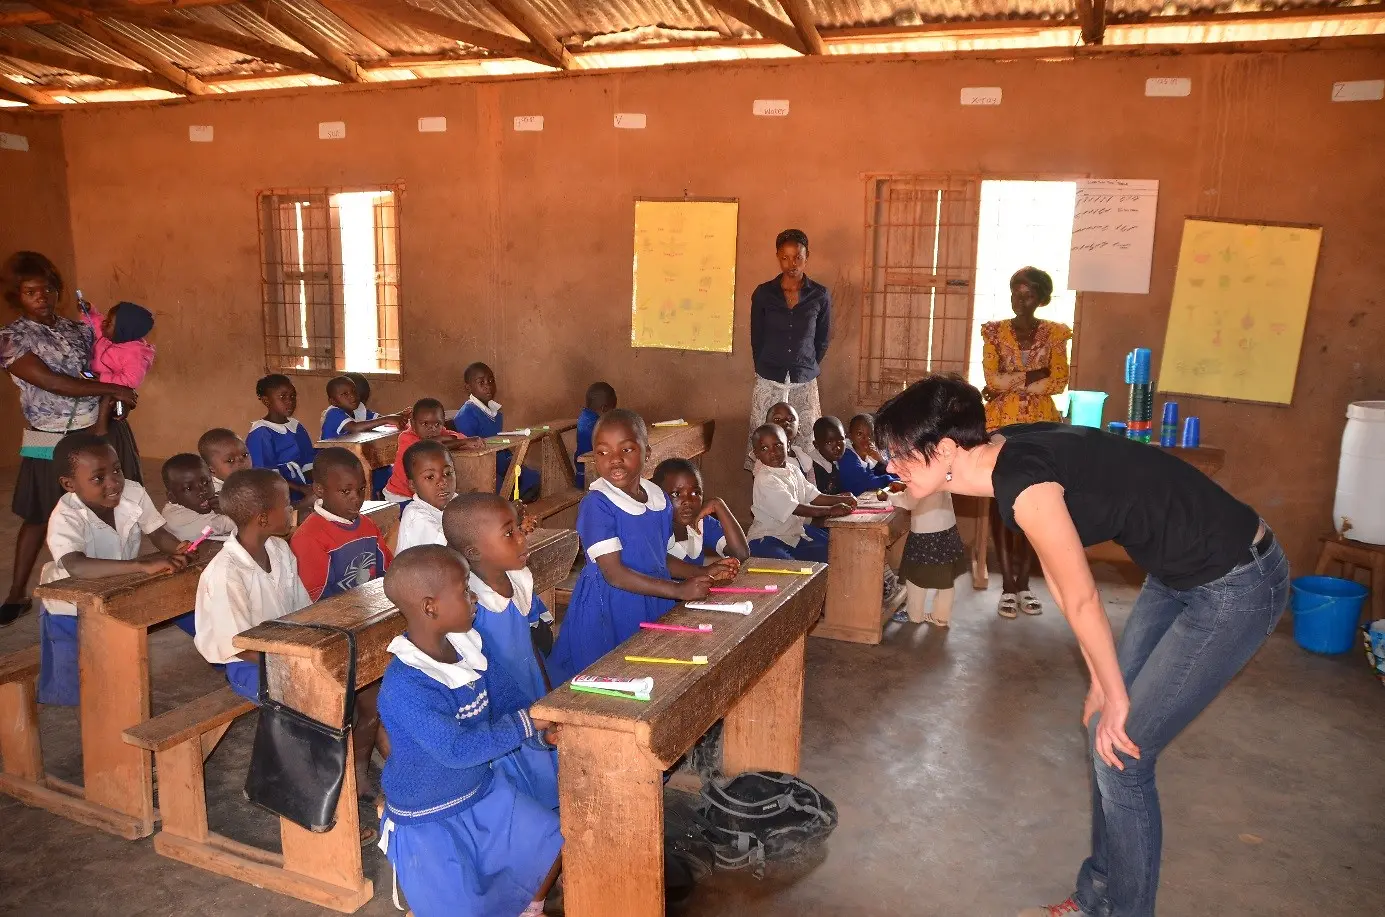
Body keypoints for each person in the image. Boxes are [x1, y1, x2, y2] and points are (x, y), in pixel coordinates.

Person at [875, 374, 1288, 917]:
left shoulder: (1023, 486)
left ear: (948, 449)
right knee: (1106, 737)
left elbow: (1083, 598)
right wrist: (1102, 680)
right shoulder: (1006, 449)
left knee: (1123, 755)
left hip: (1237, 583)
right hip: (1179, 570)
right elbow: (1071, 590)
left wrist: (1115, 695)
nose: (889, 468)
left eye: (900, 456)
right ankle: (1098, 898)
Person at [377, 545, 562, 917]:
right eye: (464, 590)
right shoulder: (406, 684)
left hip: (481, 791)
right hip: (430, 814)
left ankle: (529, 908)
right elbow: (456, 750)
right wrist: (527, 723)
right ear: (430, 607)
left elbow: (509, 703)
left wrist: (542, 735)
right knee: (463, 907)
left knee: (550, 836)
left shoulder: (469, 648)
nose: (473, 596)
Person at [195, 468, 385, 800]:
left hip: (292, 649)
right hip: (250, 665)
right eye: (286, 504)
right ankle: (309, 796)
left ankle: (354, 773)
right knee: (320, 701)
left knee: (369, 690)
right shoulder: (226, 573)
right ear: (263, 518)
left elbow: (301, 611)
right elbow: (238, 646)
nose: (294, 508)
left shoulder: (280, 550)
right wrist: (303, 662)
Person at [0, 252, 139, 626]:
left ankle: (118, 580)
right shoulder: (11, 338)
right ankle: (17, 593)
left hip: (95, 429)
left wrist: (120, 389)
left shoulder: (77, 329)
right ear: (17, 296)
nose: (41, 297)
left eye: (47, 289)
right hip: (46, 434)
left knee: (111, 504)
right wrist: (114, 387)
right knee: (38, 512)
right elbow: (52, 382)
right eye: (31, 292)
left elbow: (104, 362)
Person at [549, 410, 715, 682]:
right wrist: (677, 589)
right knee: (613, 673)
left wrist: (699, 573)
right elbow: (613, 573)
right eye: (602, 452)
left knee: (651, 667)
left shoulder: (657, 498)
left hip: (651, 595)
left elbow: (658, 557)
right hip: (610, 606)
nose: (615, 459)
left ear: (647, 452)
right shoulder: (597, 505)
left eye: (626, 449)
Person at [38, 433, 190, 704]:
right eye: (98, 478)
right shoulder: (65, 516)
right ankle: (94, 734)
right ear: (69, 484)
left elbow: (156, 531)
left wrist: (176, 547)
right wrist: (140, 565)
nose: (113, 483)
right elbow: (76, 566)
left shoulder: (132, 492)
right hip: (70, 607)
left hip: (117, 591)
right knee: (79, 684)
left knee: (117, 670)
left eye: (117, 470)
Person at [981, 266, 1072, 619]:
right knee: (1000, 502)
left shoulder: (1055, 334)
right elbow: (991, 378)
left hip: (1040, 427)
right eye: (1016, 291)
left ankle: (1024, 583)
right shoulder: (993, 332)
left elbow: (1059, 382)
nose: (1021, 299)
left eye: (1029, 293)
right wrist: (1035, 373)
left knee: (1037, 502)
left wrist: (1010, 381)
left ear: (1042, 299)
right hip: (1000, 424)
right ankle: (1006, 586)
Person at [444, 492, 556, 704]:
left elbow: (530, 645)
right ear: (474, 552)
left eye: (517, 527)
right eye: (508, 533)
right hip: (500, 707)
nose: (522, 537)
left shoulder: (517, 579)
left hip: (532, 690)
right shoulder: (470, 606)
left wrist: (546, 691)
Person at [747, 229, 831, 469]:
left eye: (797, 257)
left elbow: (822, 339)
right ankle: (770, 498)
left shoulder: (820, 295)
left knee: (805, 447)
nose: (791, 263)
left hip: (803, 381)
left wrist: (804, 363)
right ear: (777, 257)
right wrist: (766, 366)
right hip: (769, 379)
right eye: (785, 257)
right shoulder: (764, 294)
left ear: (807, 256)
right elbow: (757, 337)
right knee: (766, 444)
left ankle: (804, 500)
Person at [290, 447, 392, 601]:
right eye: (345, 491)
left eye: (361, 489)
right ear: (319, 489)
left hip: (371, 607)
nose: (356, 498)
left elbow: (387, 571)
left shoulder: (368, 525)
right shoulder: (309, 537)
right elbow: (317, 601)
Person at [745, 424, 855, 562]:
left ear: (788, 445)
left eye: (778, 445)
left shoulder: (793, 470)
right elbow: (796, 508)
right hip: (768, 538)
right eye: (764, 448)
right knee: (789, 568)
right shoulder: (765, 479)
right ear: (757, 454)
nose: (772, 452)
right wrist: (831, 510)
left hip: (793, 535)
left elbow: (814, 496)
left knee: (833, 551)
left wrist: (839, 499)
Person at [454, 361, 540, 501]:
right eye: (481, 382)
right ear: (468, 387)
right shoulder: (467, 415)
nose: (488, 386)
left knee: (533, 479)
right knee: (506, 489)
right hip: (481, 467)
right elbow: (469, 454)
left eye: (491, 381)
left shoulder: (494, 412)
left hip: (498, 460)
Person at [890, 489, 967, 628]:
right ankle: (941, 617)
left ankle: (915, 615)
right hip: (947, 529)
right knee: (946, 578)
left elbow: (908, 502)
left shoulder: (919, 473)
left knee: (914, 576)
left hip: (925, 534)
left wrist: (888, 497)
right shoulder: (941, 468)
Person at [652, 458, 749, 567]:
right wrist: (705, 572)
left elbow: (741, 554)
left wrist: (719, 505)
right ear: (657, 497)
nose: (688, 501)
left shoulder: (700, 523)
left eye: (695, 493)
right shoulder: (653, 531)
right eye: (676, 494)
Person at [384, 398, 479, 502]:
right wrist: (460, 442)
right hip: (400, 495)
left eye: (437, 424)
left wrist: (450, 438)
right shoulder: (406, 437)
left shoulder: (438, 431)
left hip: (422, 494)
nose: (432, 429)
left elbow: (459, 436)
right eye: (425, 424)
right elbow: (427, 448)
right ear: (413, 423)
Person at [246, 374, 315, 501]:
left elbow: (308, 463)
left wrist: (313, 485)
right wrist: (301, 489)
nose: (290, 401)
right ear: (267, 401)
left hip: (303, 485)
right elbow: (266, 476)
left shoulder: (296, 426)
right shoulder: (261, 432)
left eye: (293, 396)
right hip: (277, 492)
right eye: (283, 397)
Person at [394, 440, 456, 552]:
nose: (442, 482)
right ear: (413, 485)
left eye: (448, 473)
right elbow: (450, 549)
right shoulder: (415, 516)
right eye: (430, 477)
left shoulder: (456, 501)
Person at [160, 453, 234, 544]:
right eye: (189, 488)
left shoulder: (196, 502)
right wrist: (231, 510)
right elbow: (224, 524)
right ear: (172, 497)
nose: (202, 491)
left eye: (206, 482)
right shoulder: (176, 517)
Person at [841, 413, 905, 496]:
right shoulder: (847, 455)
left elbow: (893, 473)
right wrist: (890, 481)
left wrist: (880, 460)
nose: (866, 438)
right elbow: (866, 481)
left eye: (870, 435)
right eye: (859, 434)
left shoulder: (869, 456)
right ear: (850, 436)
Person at [576, 381, 616, 488]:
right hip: (589, 475)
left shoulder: (587, 417)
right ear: (604, 409)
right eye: (612, 410)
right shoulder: (594, 425)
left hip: (589, 470)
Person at [197, 427, 252, 493]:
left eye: (245, 455)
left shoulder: (250, 478)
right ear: (211, 470)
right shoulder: (213, 495)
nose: (241, 461)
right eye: (230, 460)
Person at [809, 416, 847, 494]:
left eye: (840, 440)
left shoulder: (834, 461)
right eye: (829, 442)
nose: (837, 447)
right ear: (816, 445)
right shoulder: (811, 467)